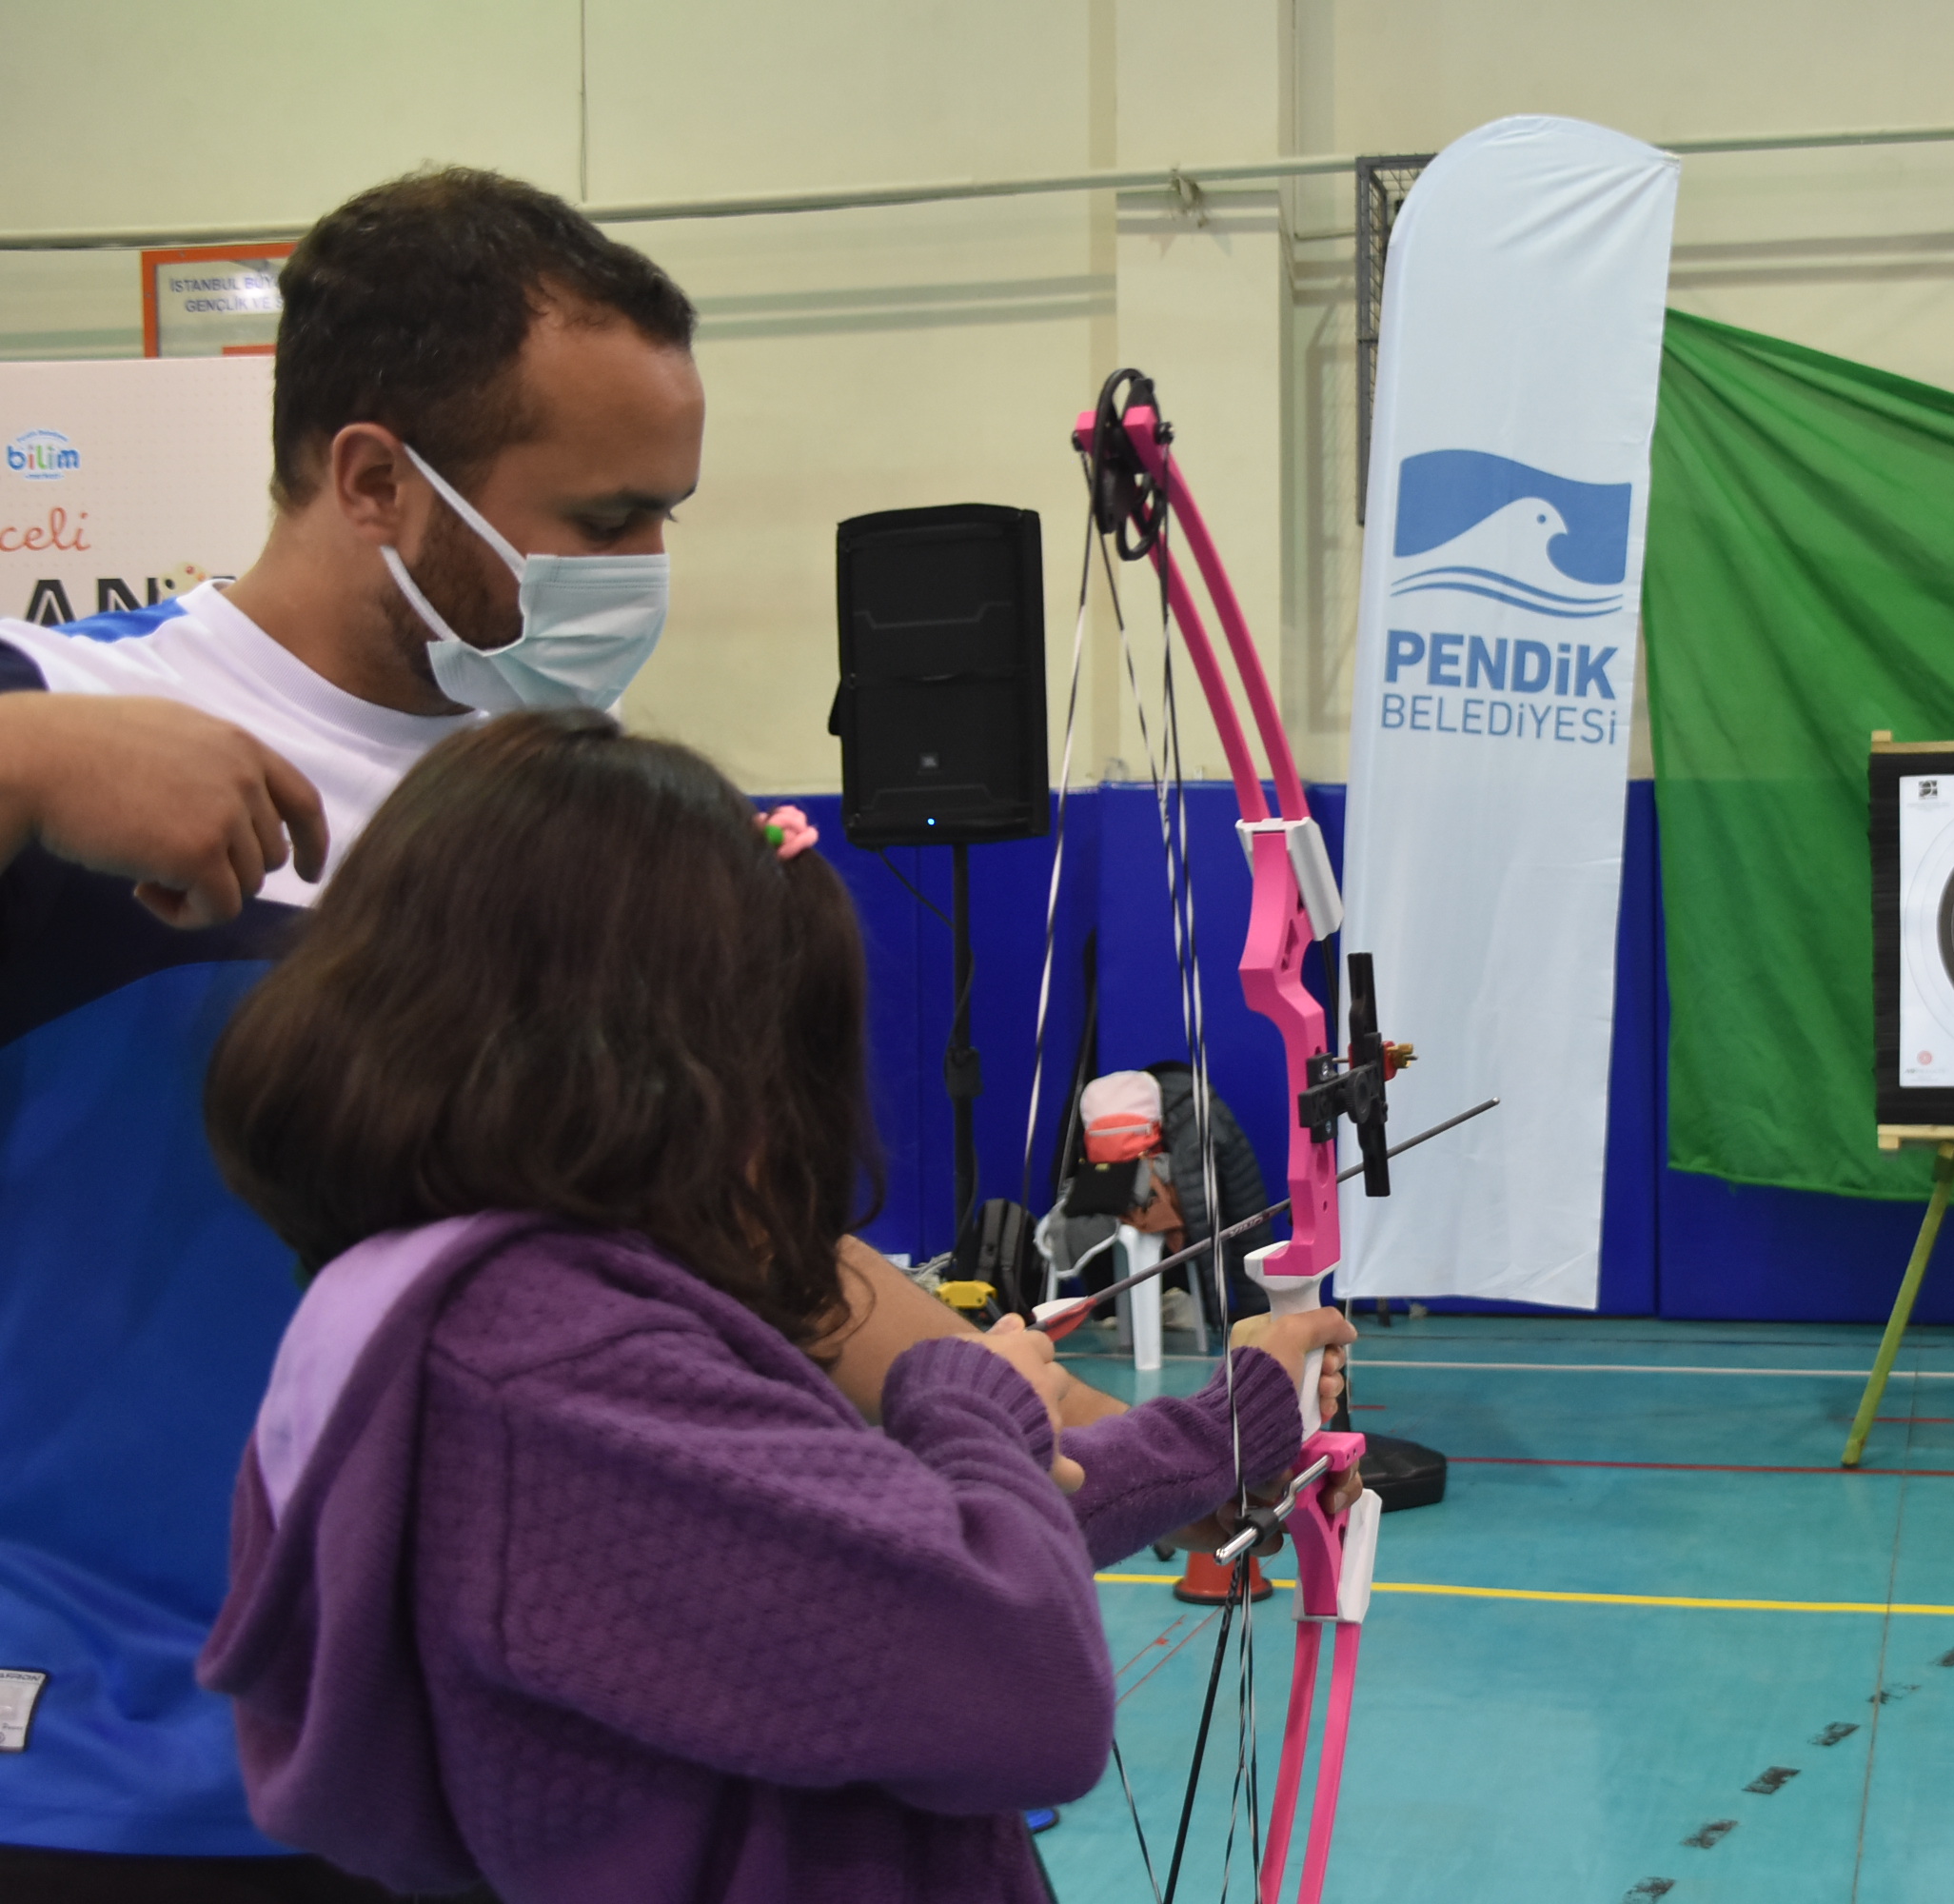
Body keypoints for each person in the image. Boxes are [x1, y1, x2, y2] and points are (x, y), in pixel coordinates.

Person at [195, 710, 1357, 1904]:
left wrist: (1229, 1423)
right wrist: (976, 1402)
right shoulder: (547, 1360)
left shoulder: (458, 1303)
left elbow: (866, 1561)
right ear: (639, 1053)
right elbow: (1027, 1684)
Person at [0, 167, 702, 1897]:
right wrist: (22, 766)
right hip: (100, 1770)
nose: (647, 571)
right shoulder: (71, 710)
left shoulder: (590, 830)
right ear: (375, 477)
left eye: (667, 516)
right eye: (604, 518)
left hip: (482, 1760)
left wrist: (984, 1389)